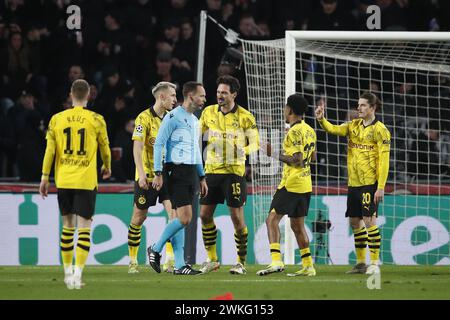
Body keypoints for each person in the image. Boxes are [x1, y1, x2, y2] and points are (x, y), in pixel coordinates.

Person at [39, 79, 111, 289]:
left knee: (67, 228)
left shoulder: (56, 119)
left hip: (64, 180)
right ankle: (78, 275)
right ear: (88, 95)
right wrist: (107, 166)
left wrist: (45, 177)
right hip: (85, 180)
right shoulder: (96, 119)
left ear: (71, 94)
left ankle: (67, 273)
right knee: (84, 229)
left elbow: (50, 151)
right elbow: (105, 148)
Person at [315, 91, 391, 275]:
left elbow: (384, 160)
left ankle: (374, 263)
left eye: (363, 105)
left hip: (370, 183)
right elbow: (333, 129)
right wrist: (321, 119)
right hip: (354, 183)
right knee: (355, 222)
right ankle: (360, 263)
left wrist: (380, 187)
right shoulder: (353, 125)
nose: (359, 108)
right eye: (358, 105)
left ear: (373, 108)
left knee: (369, 221)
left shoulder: (381, 130)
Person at [198, 75, 260, 275]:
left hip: (234, 173)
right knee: (204, 215)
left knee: (236, 216)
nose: (220, 96)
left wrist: (244, 151)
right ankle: (212, 259)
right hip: (211, 171)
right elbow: (197, 135)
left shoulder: (245, 116)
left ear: (234, 93)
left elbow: (256, 142)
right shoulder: (208, 112)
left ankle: (241, 262)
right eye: (218, 92)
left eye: (224, 92)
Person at [147, 81, 208, 275]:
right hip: (176, 171)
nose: (204, 99)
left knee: (180, 219)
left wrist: (202, 175)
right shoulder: (172, 117)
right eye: (202, 96)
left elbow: (196, 150)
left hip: (190, 172)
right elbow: (158, 145)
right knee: (185, 217)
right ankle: (155, 248)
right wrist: (158, 173)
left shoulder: (195, 121)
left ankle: (181, 265)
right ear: (190, 96)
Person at [256, 94, 317, 277]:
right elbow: (312, 157)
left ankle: (276, 261)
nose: (284, 110)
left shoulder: (295, 132)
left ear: (290, 109)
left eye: (285, 107)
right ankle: (308, 266)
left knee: (271, 220)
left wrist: (272, 153)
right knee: (297, 226)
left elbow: (297, 160)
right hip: (306, 184)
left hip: (291, 184)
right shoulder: (309, 129)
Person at [127, 82, 178, 274]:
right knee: (139, 217)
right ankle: (133, 260)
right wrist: (140, 174)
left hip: (166, 175)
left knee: (174, 216)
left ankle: (170, 259)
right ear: (162, 97)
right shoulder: (144, 117)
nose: (175, 99)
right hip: (147, 175)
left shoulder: (172, 119)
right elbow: (137, 147)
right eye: (172, 96)